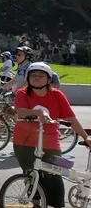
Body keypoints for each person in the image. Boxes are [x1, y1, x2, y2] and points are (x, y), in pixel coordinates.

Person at [12, 62, 91, 208]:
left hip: (50, 142)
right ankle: (37, 203)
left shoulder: (57, 95)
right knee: (31, 174)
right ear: (28, 78)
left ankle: (57, 205)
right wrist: (38, 113)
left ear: (49, 79)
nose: (37, 78)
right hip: (24, 141)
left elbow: (71, 119)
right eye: (33, 75)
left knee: (54, 176)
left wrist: (85, 136)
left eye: (41, 76)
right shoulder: (22, 93)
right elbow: (20, 112)